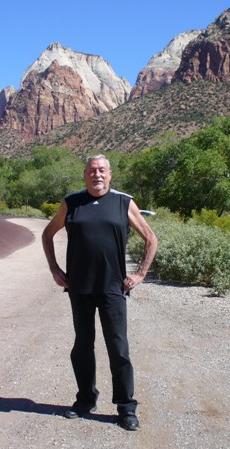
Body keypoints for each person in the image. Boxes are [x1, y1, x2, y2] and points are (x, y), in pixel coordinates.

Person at [42, 154, 158, 431]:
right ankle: (85, 400)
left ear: (110, 174)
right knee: (82, 346)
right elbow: (47, 234)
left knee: (118, 348)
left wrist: (140, 273)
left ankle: (126, 408)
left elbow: (151, 238)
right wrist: (55, 269)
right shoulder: (72, 203)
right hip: (78, 287)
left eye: (102, 170)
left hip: (112, 288)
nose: (97, 175)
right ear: (85, 174)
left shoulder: (123, 202)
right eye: (92, 170)